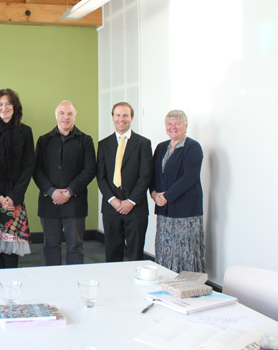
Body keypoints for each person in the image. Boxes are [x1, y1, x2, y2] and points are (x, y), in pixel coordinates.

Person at [33, 100, 96, 265]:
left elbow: (89, 170)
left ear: (75, 116)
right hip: (49, 202)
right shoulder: (43, 140)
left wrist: (69, 191)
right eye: (62, 113)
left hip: (75, 202)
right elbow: (36, 170)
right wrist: (51, 191)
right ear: (56, 115)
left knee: (75, 246)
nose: (65, 117)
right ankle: (52, 279)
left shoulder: (86, 140)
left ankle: (73, 279)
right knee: (50, 245)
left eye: (69, 113)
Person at [0, 89, 34, 268]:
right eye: (0, 104)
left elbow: (28, 166)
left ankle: (11, 283)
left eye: (8, 103)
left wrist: (13, 196)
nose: (4, 108)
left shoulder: (25, 131)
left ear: (15, 107)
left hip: (14, 200)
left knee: (11, 252)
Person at [96, 102, 153, 262]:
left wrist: (131, 201)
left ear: (132, 118)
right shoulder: (103, 144)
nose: (121, 119)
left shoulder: (143, 143)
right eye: (118, 115)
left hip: (136, 208)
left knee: (135, 254)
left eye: (125, 115)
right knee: (112, 253)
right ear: (113, 117)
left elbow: (146, 176)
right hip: (111, 208)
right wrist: (112, 200)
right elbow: (100, 176)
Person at [150, 110, 205, 273]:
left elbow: (190, 177)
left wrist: (166, 196)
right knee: (165, 248)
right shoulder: (161, 147)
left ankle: (186, 284)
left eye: (177, 123)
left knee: (184, 250)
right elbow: (153, 175)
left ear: (185, 126)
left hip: (186, 209)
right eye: (169, 123)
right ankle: (165, 280)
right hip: (164, 209)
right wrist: (154, 194)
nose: (173, 127)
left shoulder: (193, 147)